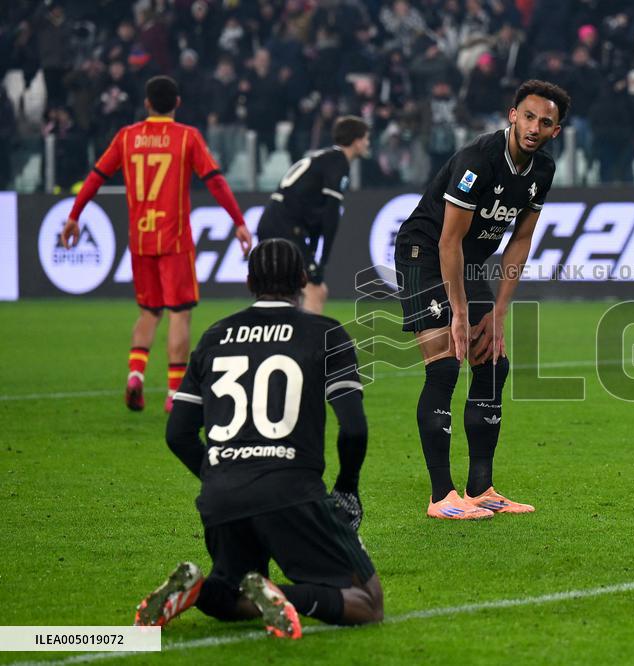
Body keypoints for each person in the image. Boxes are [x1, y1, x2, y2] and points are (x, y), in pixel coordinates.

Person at [134, 238, 382, 638]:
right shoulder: (326, 332)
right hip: (292, 493)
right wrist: (347, 489)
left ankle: (198, 590)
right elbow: (353, 428)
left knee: (232, 594)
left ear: (249, 281)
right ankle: (283, 595)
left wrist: (222, 473)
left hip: (221, 498)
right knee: (369, 602)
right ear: (303, 279)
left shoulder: (214, 336)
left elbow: (177, 433)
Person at [393, 79, 570, 520]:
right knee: (446, 365)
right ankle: (440, 497)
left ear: (555, 131)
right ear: (512, 115)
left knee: (493, 362)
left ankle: (480, 489)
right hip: (425, 252)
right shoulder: (478, 160)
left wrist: (500, 312)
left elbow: (520, 241)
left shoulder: (542, 172)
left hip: (467, 262)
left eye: (545, 122)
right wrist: (458, 313)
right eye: (528, 116)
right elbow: (448, 240)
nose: (534, 127)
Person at [60, 76, 253, 412]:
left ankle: (136, 375)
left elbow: (95, 177)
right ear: (177, 103)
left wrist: (74, 216)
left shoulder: (126, 137)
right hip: (175, 239)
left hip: (140, 239)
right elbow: (216, 182)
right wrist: (238, 221)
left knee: (149, 312)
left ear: (147, 103)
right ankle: (174, 393)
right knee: (179, 314)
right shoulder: (187, 137)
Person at [257, 116, 370, 315]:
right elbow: (330, 214)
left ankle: (284, 340)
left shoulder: (325, 158)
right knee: (316, 290)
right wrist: (323, 261)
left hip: (275, 221)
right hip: (285, 225)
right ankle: (307, 343)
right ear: (356, 140)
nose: (368, 143)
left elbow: (316, 216)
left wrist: (315, 253)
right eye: (366, 138)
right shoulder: (338, 163)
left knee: (288, 293)